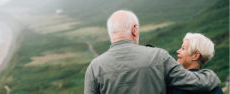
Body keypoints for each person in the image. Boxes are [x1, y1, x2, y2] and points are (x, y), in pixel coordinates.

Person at [84, 10, 221, 94]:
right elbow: (193, 81)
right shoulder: (158, 56)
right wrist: (211, 76)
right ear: (134, 29)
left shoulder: (94, 67)